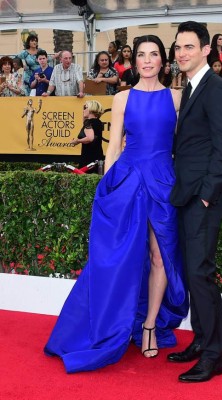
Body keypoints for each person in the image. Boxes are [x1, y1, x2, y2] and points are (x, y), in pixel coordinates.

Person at [44, 34, 189, 373]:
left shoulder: (178, 97)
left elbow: (186, 141)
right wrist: (107, 188)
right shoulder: (122, 98)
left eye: (154, 54)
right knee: (120, 257)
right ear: (134, 61)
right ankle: (110, 325)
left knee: (160, 255)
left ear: (164, 61)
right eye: (142, 55)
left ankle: (150, 324)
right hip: (128, 179)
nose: (148, 60)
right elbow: (112, 149)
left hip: (163, 181)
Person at [168, 21, 222, 383]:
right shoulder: (192, 88)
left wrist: (209, 196)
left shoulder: (218, 91)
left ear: (206, 49)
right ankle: (201, 341)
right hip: (188, 193)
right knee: (195, 273)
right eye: (178, 47)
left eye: (189, 47)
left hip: (203, 197)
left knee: (201, 274)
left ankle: (214, 356)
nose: (182, 53)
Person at [70, 100, 105, 171]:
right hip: (97, 156)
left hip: (88, 159)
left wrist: (77, 141)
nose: (83, 110)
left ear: (91, 109)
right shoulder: (98, 122)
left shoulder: (89, 123)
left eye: (85, 108)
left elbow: (90, 138)